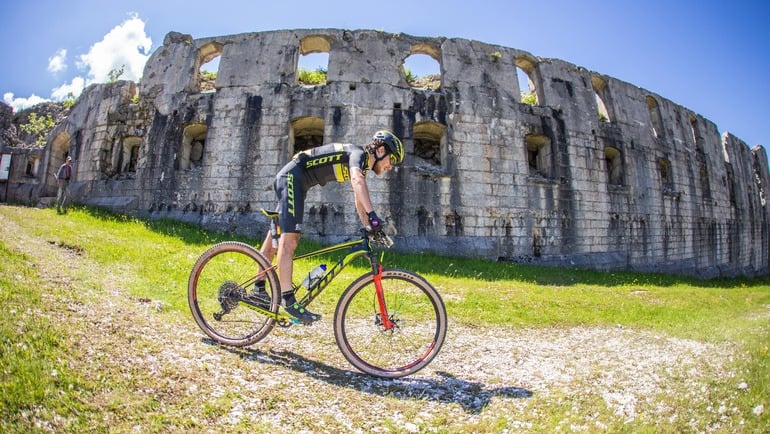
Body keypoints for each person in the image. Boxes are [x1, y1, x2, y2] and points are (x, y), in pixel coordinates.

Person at [258, 130, 404, 323]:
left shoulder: (362, 166)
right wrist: (374, 216)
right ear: (381, 150)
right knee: (289, 241)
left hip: (297, 182)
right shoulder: (358, 154)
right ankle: (288, 301)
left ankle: (257, 289)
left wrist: (370, 227)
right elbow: (357, 181)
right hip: (291, 178)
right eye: (391, 160)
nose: (390, 167)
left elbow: (359, 200)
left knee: (273, 242)